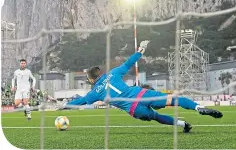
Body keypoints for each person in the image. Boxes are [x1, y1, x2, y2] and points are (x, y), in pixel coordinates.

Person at [57, 41, 223, 133]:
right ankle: (198, 107)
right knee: (175, 99)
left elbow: (82, 102)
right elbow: (129, 63)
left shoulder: (94, 93)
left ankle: (183, 125)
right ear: (100, 73)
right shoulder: (113, 73)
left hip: (134, 109)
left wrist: (64, 105)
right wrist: (140, 50)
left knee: (157, 117)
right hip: (141, 93)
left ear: (91, 80)